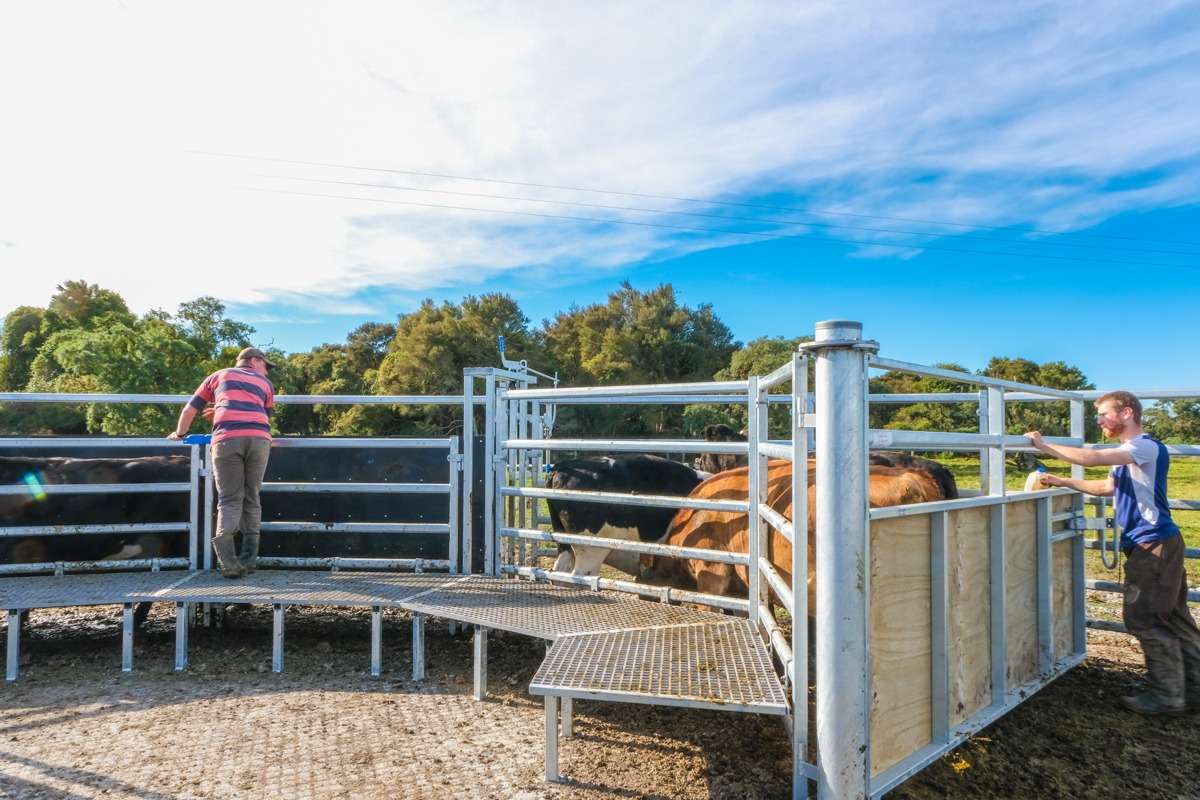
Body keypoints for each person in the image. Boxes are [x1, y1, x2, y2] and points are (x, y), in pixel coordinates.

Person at [1026, 390, 1200, 715]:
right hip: (1157, 543)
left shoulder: (1144, 447)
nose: (1100, 420)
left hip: (1153, 546)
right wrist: (1059, 480)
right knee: (1174, 616)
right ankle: (1192, 689)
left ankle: (1166, 695)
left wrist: (1043, 445)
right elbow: (1106, 488)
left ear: (1127, 412)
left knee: (1145, 618)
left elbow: (1092, 458)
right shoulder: (1129, 454)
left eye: (1104, 413)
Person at [168, 347, 276, 578]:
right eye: (266, 366)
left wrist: (179, 434)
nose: (266, 372)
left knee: (229, 499)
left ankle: (228, 563)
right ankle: (248, 561)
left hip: (227, 439)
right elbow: (265, 417)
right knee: (252, 496)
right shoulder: (266, 385)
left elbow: (190, 409)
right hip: (259, 440)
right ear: (254, 361)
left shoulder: (218, 375)